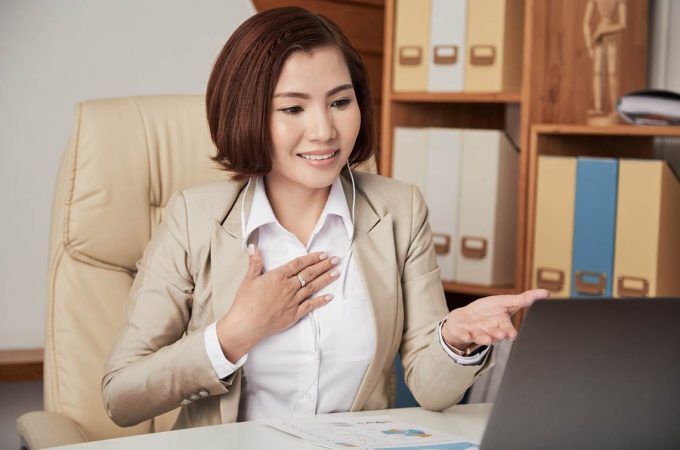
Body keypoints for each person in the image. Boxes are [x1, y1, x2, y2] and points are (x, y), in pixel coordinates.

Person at [102, 6, 549, 429]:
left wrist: (455, 337)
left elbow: (430, 389)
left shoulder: (399, 211)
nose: (325, 130)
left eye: (339, 102)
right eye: (293, 108)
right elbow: (121, 396)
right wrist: (235, 333)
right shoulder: (192, 219)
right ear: (248, 114)